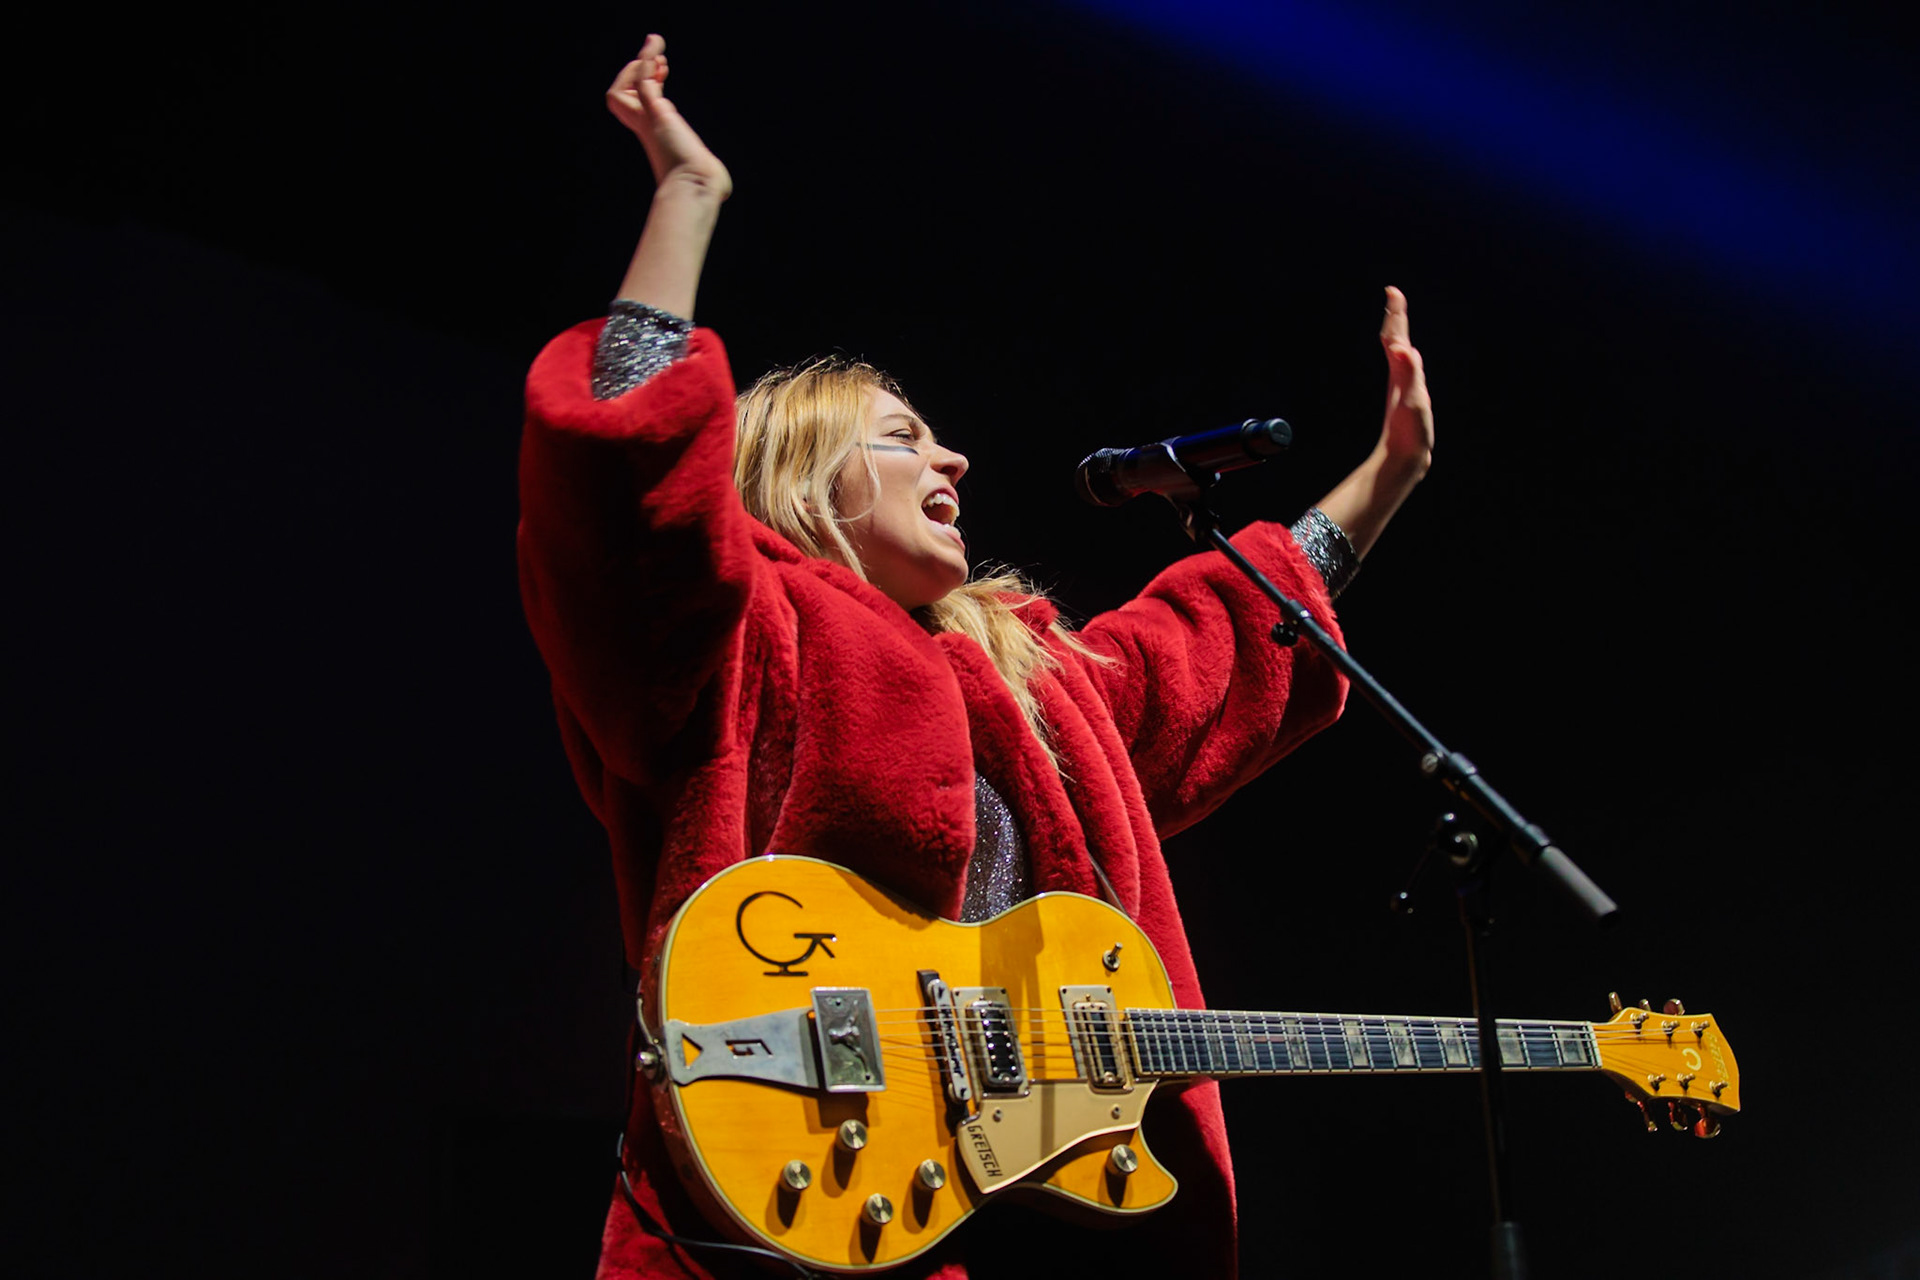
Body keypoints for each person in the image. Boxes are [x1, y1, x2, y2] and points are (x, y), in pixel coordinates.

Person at [517, 35, 1435, 1280]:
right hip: (772, 1211)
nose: (953, 463)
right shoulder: (740, 625)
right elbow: (627, 511)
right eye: (903, 437)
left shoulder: (1028, 673)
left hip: (997, 1232)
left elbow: (1212, 648)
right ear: (800, 477)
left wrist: (1381, 486)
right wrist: (686, 200)